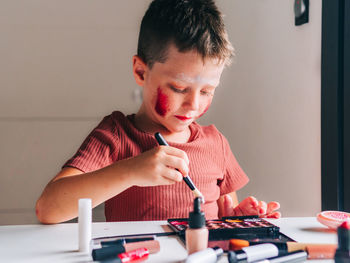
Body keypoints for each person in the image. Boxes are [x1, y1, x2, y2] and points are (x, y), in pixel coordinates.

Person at [36, 0, 281, 224]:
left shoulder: (215, 143)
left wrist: (237, 220)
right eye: (179, 88)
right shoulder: (117, 135)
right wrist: (131, 170)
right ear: (141, 72)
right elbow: (47, 209)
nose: (193, 105)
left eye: (207, 91)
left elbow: (225, 216)